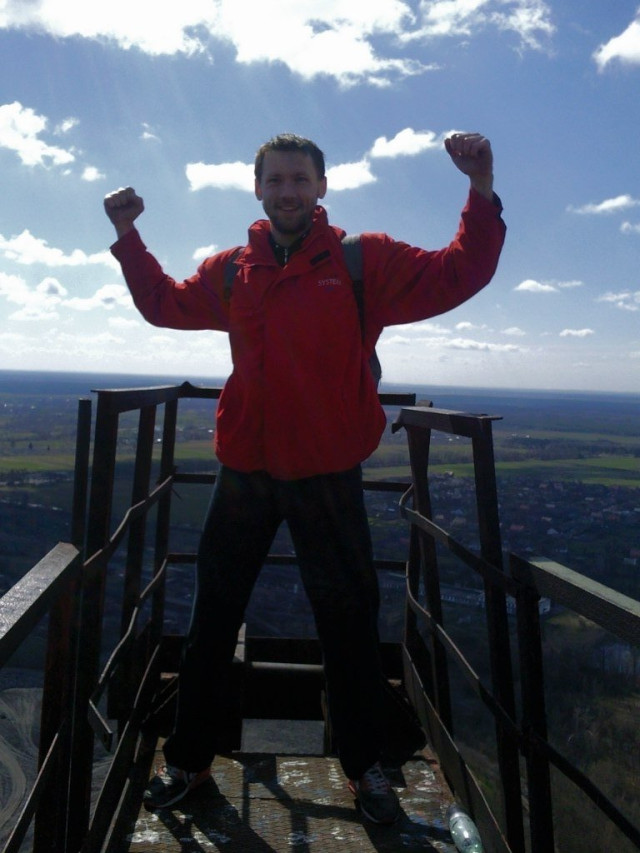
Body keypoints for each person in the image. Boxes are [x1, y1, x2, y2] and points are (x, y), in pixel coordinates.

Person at [104, 131, 505, 824]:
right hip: (246, 469)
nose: (287, 191)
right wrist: (127, 235)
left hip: (325, 470)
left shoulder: (361, 261)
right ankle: (189, 759)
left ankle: (366, 769)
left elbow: (457, 272)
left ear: (321, 187)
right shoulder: (233, 271)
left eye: (299, 179)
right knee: (211, 619)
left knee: (348, 623)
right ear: (258, 189)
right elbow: (163, 304)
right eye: (276, 180)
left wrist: (481, 189)